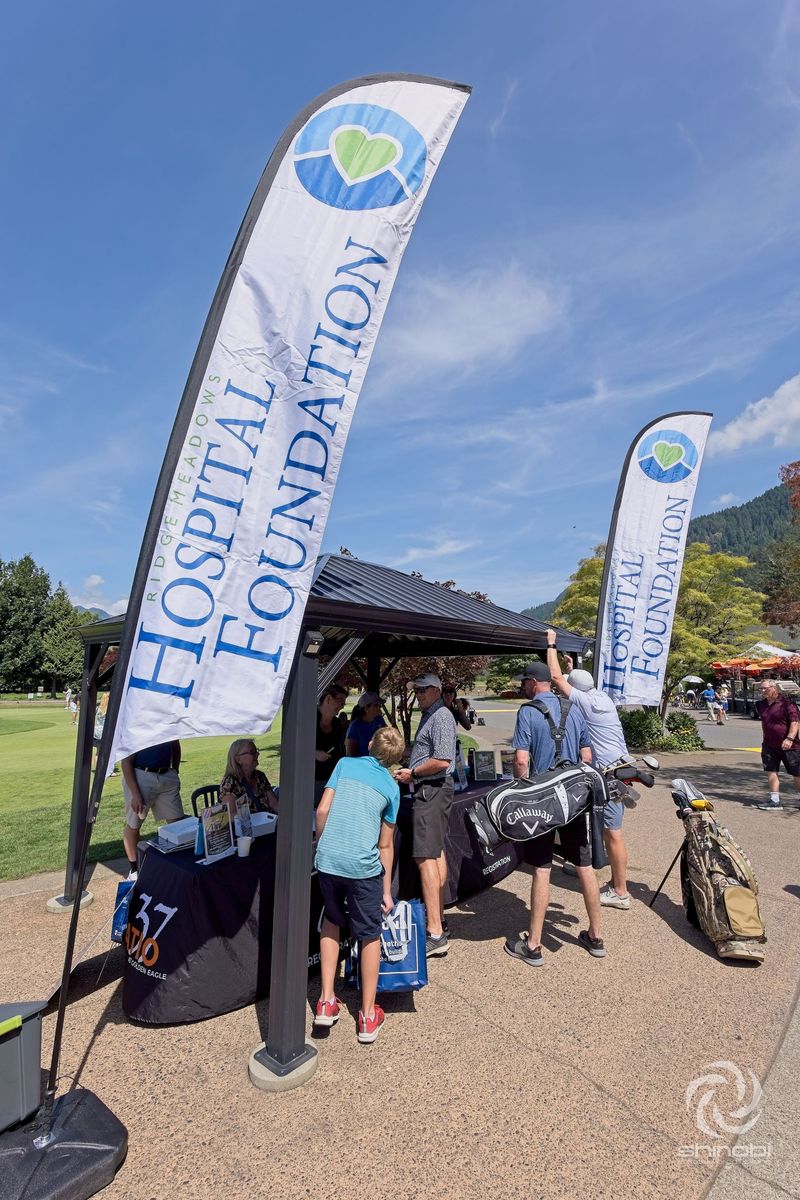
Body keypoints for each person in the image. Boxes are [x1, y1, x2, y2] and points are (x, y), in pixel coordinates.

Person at [504, 661, 606, 966]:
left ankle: (533, 944)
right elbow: (587, 756)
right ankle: (596, 936)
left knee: (542, 867)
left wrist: (520, 791)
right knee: (584, 865)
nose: (523, 686)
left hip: (543, 800)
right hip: (575, 796)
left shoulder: (528, 711)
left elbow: (522, 761)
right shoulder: (574, 708)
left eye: (525, 682)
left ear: (535, 683)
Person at [314, 725, 406, 1044]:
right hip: (363, 869)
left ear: (369, 744)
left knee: (331, 921)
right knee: (369, 935)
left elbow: (322, 809)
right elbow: (385, 844)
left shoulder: (344, 764)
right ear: (394, 760)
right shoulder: (392, 788)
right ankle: (367, 1016)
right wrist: (385, 890)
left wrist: (321, 842)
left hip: (328, 860)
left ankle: (326, 999)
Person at [546, 633, 633, 910]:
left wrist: (551, 645)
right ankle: (582, 861)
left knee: (613, 832)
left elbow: (557, 680)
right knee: (600, 825)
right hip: (618, 768)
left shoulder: (584, 703)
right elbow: (573, 683)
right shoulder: (601, 698)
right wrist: (573, 668)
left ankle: (620, 891)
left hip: (609, 774)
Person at [394, 673, 457, 957]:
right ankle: (438, 919)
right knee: (435, 852)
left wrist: (413, 772)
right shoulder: (431, 714)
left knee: (425, 857)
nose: (417, 695)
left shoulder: (441, 716)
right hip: (430, 789)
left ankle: (435, 932)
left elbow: (442, 760)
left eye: (421, 690)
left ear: (435, 690)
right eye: (415, 690)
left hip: (431, 789)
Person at [121, 741, 184, 879]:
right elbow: (126, 761)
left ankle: (180, 866)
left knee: (178, 824)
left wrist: (175, 770)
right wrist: (135, 794)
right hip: (140, 775)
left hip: (167, 775)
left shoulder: (167, 721)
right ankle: (135, 870)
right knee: (134, 825)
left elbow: (175, 745)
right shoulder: (136, 724)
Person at [756, 679, 800, 810]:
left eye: (765, 688)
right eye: (761, 689)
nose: (762, 691)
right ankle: (775, 801)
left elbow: (795, 722)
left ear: (774, 688)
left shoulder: (787, 704)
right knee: (771, 770)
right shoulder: (761, 704)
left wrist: (790, 738)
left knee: (797, 773)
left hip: (789, 746)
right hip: (769, 745)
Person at [220, 738, 278, 816]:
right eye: (252, 752)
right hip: (246, 827)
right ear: (238, 759)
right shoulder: (230, 783)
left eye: (256, 751)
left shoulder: (260, 776)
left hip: (267, 824)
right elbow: (232, 816)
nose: (257, 754)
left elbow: (274, 803)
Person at [314, 683, 348, 804]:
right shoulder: (308, 719)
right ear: (328, 699)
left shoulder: (337, 724)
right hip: (310, 781)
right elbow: (293, 749)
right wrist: (314, 754)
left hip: (333, 780)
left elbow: (341, 750)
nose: (342, 707)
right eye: (340, 702)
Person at [346, 693, 386, 757]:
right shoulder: (355, 726)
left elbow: (388, 736)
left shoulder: (379, 720)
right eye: (376, 705)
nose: (379, 707)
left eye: (380, 705)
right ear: (366, 708)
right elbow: (350, 753)